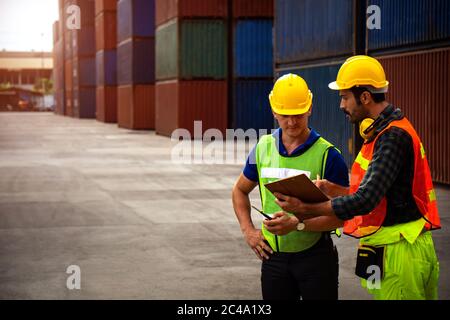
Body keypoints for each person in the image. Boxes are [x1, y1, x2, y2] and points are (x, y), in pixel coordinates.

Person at [269, 56, 441, 300]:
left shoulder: (391, 138)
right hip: (396, 245)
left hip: (401, 251)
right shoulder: (383, 131)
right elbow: (379, 193)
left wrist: (306, 209)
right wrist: (333, 189)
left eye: (344, 96)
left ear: (365, 97)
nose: (341, 105)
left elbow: (365, 200)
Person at [231, 73, 349, 300]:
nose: (292, 122)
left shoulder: (329, 156)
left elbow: (341, 217)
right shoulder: (262, 148)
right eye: (285, 115)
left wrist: (298, 225)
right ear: (274, 111)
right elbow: (239, 190)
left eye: (298, 115)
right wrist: (248, 232)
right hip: (273, 259)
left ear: (310, 109)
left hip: (316, 259)